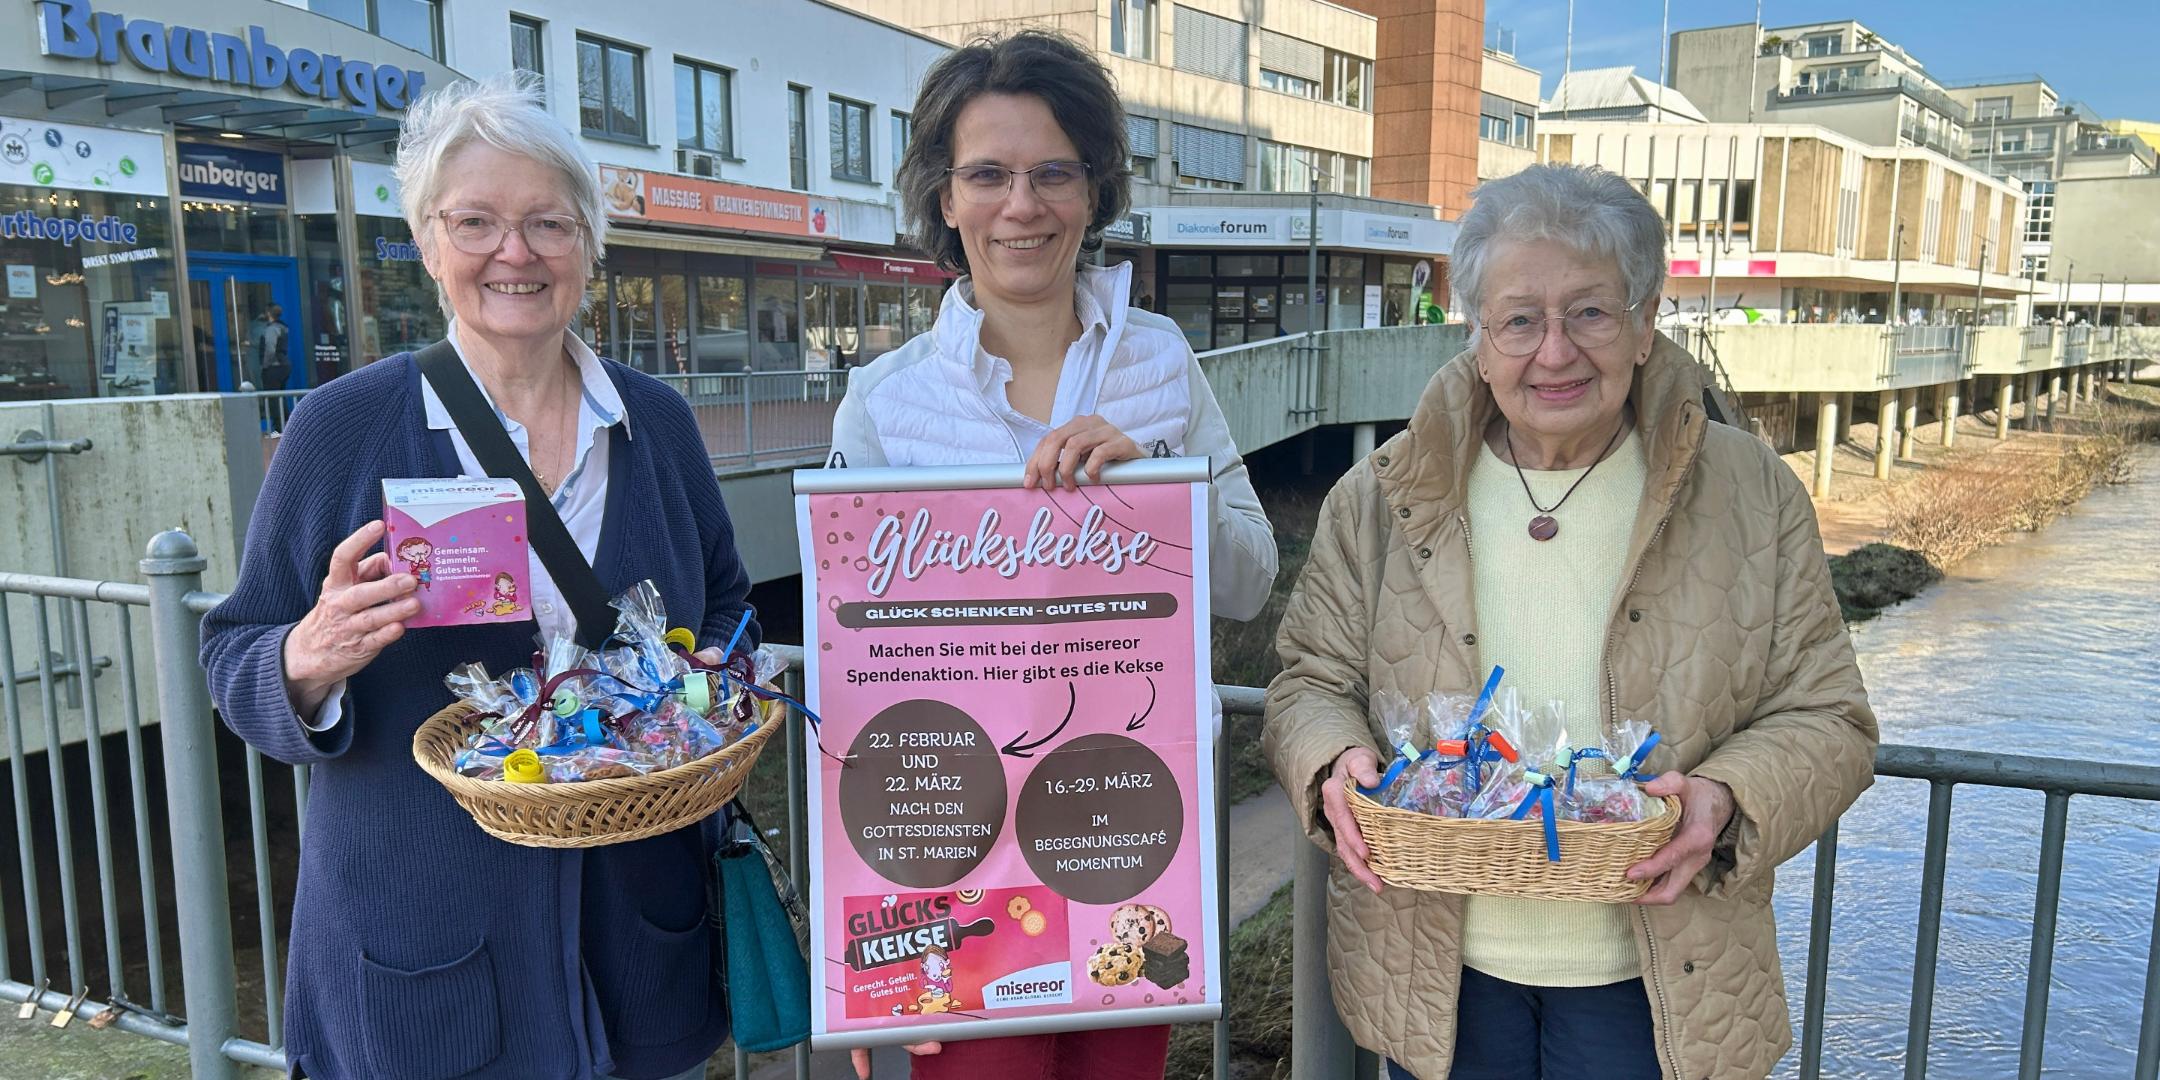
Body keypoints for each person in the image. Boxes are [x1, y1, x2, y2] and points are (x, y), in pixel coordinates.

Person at [1262, 164, 1878, 1080]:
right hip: (1437, 974)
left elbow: (1832, 720)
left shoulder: (1749, 492)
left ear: (1644, 322)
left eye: (1589, 312)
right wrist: (1330, 761)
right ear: (1476, 334)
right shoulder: (1382, 494)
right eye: (1519, 319)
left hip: (1665, 973)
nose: (1554, 352)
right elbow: (1310, 682)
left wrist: (1728, 797)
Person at [198, 72, 756, 1080]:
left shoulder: (658, 424)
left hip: (634, 932)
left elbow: (726, 599)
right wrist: (307, 658)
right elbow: (234, 651)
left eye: (548, 222)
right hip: (423, 942)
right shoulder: (345, 429)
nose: (516, 252)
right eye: (477, 222)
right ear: (426, 243)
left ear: (589, 244)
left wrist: (705, 684)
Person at [830, 30, 1278, 1080]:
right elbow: (854, 685)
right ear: (944, 199)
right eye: (986, 174)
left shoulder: (1164, 362)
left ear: (1093, 190)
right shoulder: (885, 401)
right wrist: (869, 965)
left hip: (1126, 837)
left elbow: (1252, 579)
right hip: (957, 865)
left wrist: (1152, 497)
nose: (1019, 205)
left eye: (1052, 173)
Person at [257, 302, 293, 390]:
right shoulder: (282, 327)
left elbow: (270, 349)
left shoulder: (272, 329)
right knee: (279, 397)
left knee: (273, 399)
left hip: (274, 367)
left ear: (268, 313)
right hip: (283, 365)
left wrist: (264, 366)